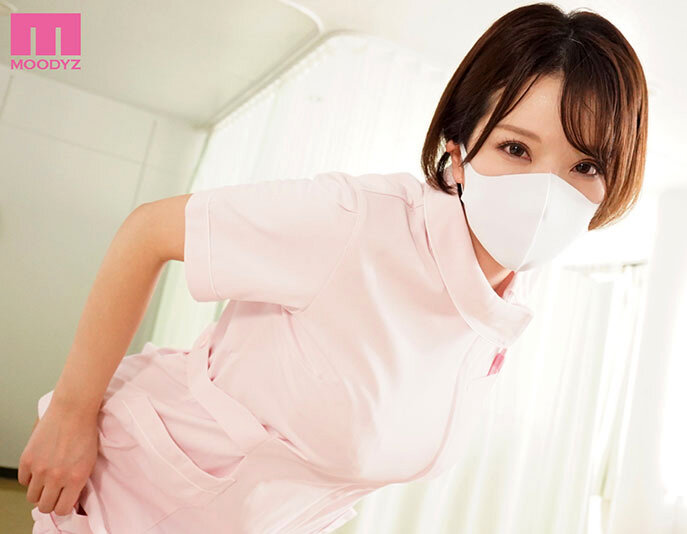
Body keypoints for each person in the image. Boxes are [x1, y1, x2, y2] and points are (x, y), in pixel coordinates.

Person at [19, 3, 647, 533]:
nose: (546, 194)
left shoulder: (505, 300)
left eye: (585, 166)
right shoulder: (355, 220)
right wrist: (72, 412)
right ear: (458, 154)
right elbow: (147, 231)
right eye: (515, 148)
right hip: (126, 494)